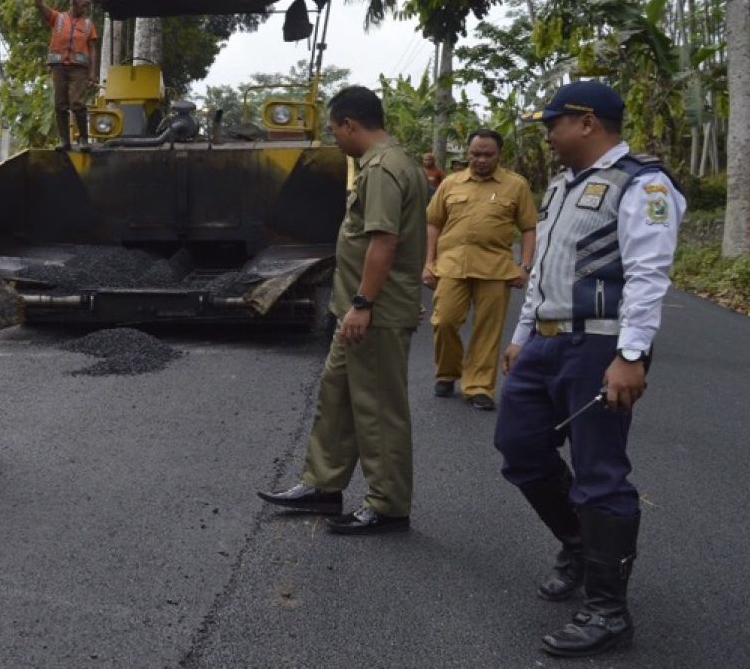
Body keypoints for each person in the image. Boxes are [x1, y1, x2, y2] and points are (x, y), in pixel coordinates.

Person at [495, 81, 684, 657]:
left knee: (600, 471)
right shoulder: (562, 186)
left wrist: (630, 356)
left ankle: (608, 611)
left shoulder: (642, 184)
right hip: (547, 345)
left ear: (587, 122)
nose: (548, 134)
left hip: (600, 346)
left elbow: (649, 275)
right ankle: (579, 543)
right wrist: (523, 335)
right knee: (520, 447)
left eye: (554, 123)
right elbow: (546, 266)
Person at [257, 85, 426, 535]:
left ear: (351, 124)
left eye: (335, 130)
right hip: (356, 310)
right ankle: (323, 485)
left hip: (373, 312)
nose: (335, 139)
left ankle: (388, 505)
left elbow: (384, 240)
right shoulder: (378, 164)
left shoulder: (384, 168)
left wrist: (365, 304)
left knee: (377, 409)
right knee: (336, 398)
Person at [423, 129, 537, 411]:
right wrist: (429, 262)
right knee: (444, 320)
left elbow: (529, 228)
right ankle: (448, 372)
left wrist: (524, 265)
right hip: (451, 265)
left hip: (495, 268)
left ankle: (479, 386)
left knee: (488, 330)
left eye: (488, 155)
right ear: (468, 152)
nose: (481, 160)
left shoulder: (516, 185)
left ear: (499, 155)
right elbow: (434, 223)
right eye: (475, 154)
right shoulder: (450, 183)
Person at [33, 0, 99, 151]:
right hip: (59, 66)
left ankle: (83, 140)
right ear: (74, 3)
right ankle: (65, 141)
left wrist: (92, 72)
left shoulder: (88, 24)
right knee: (60, 104)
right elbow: (38, 4)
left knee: (77, 103)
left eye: (87, 6)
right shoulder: (58, 18)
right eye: (84, 5)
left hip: (79, 69)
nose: (86, 9)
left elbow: (92, 49)